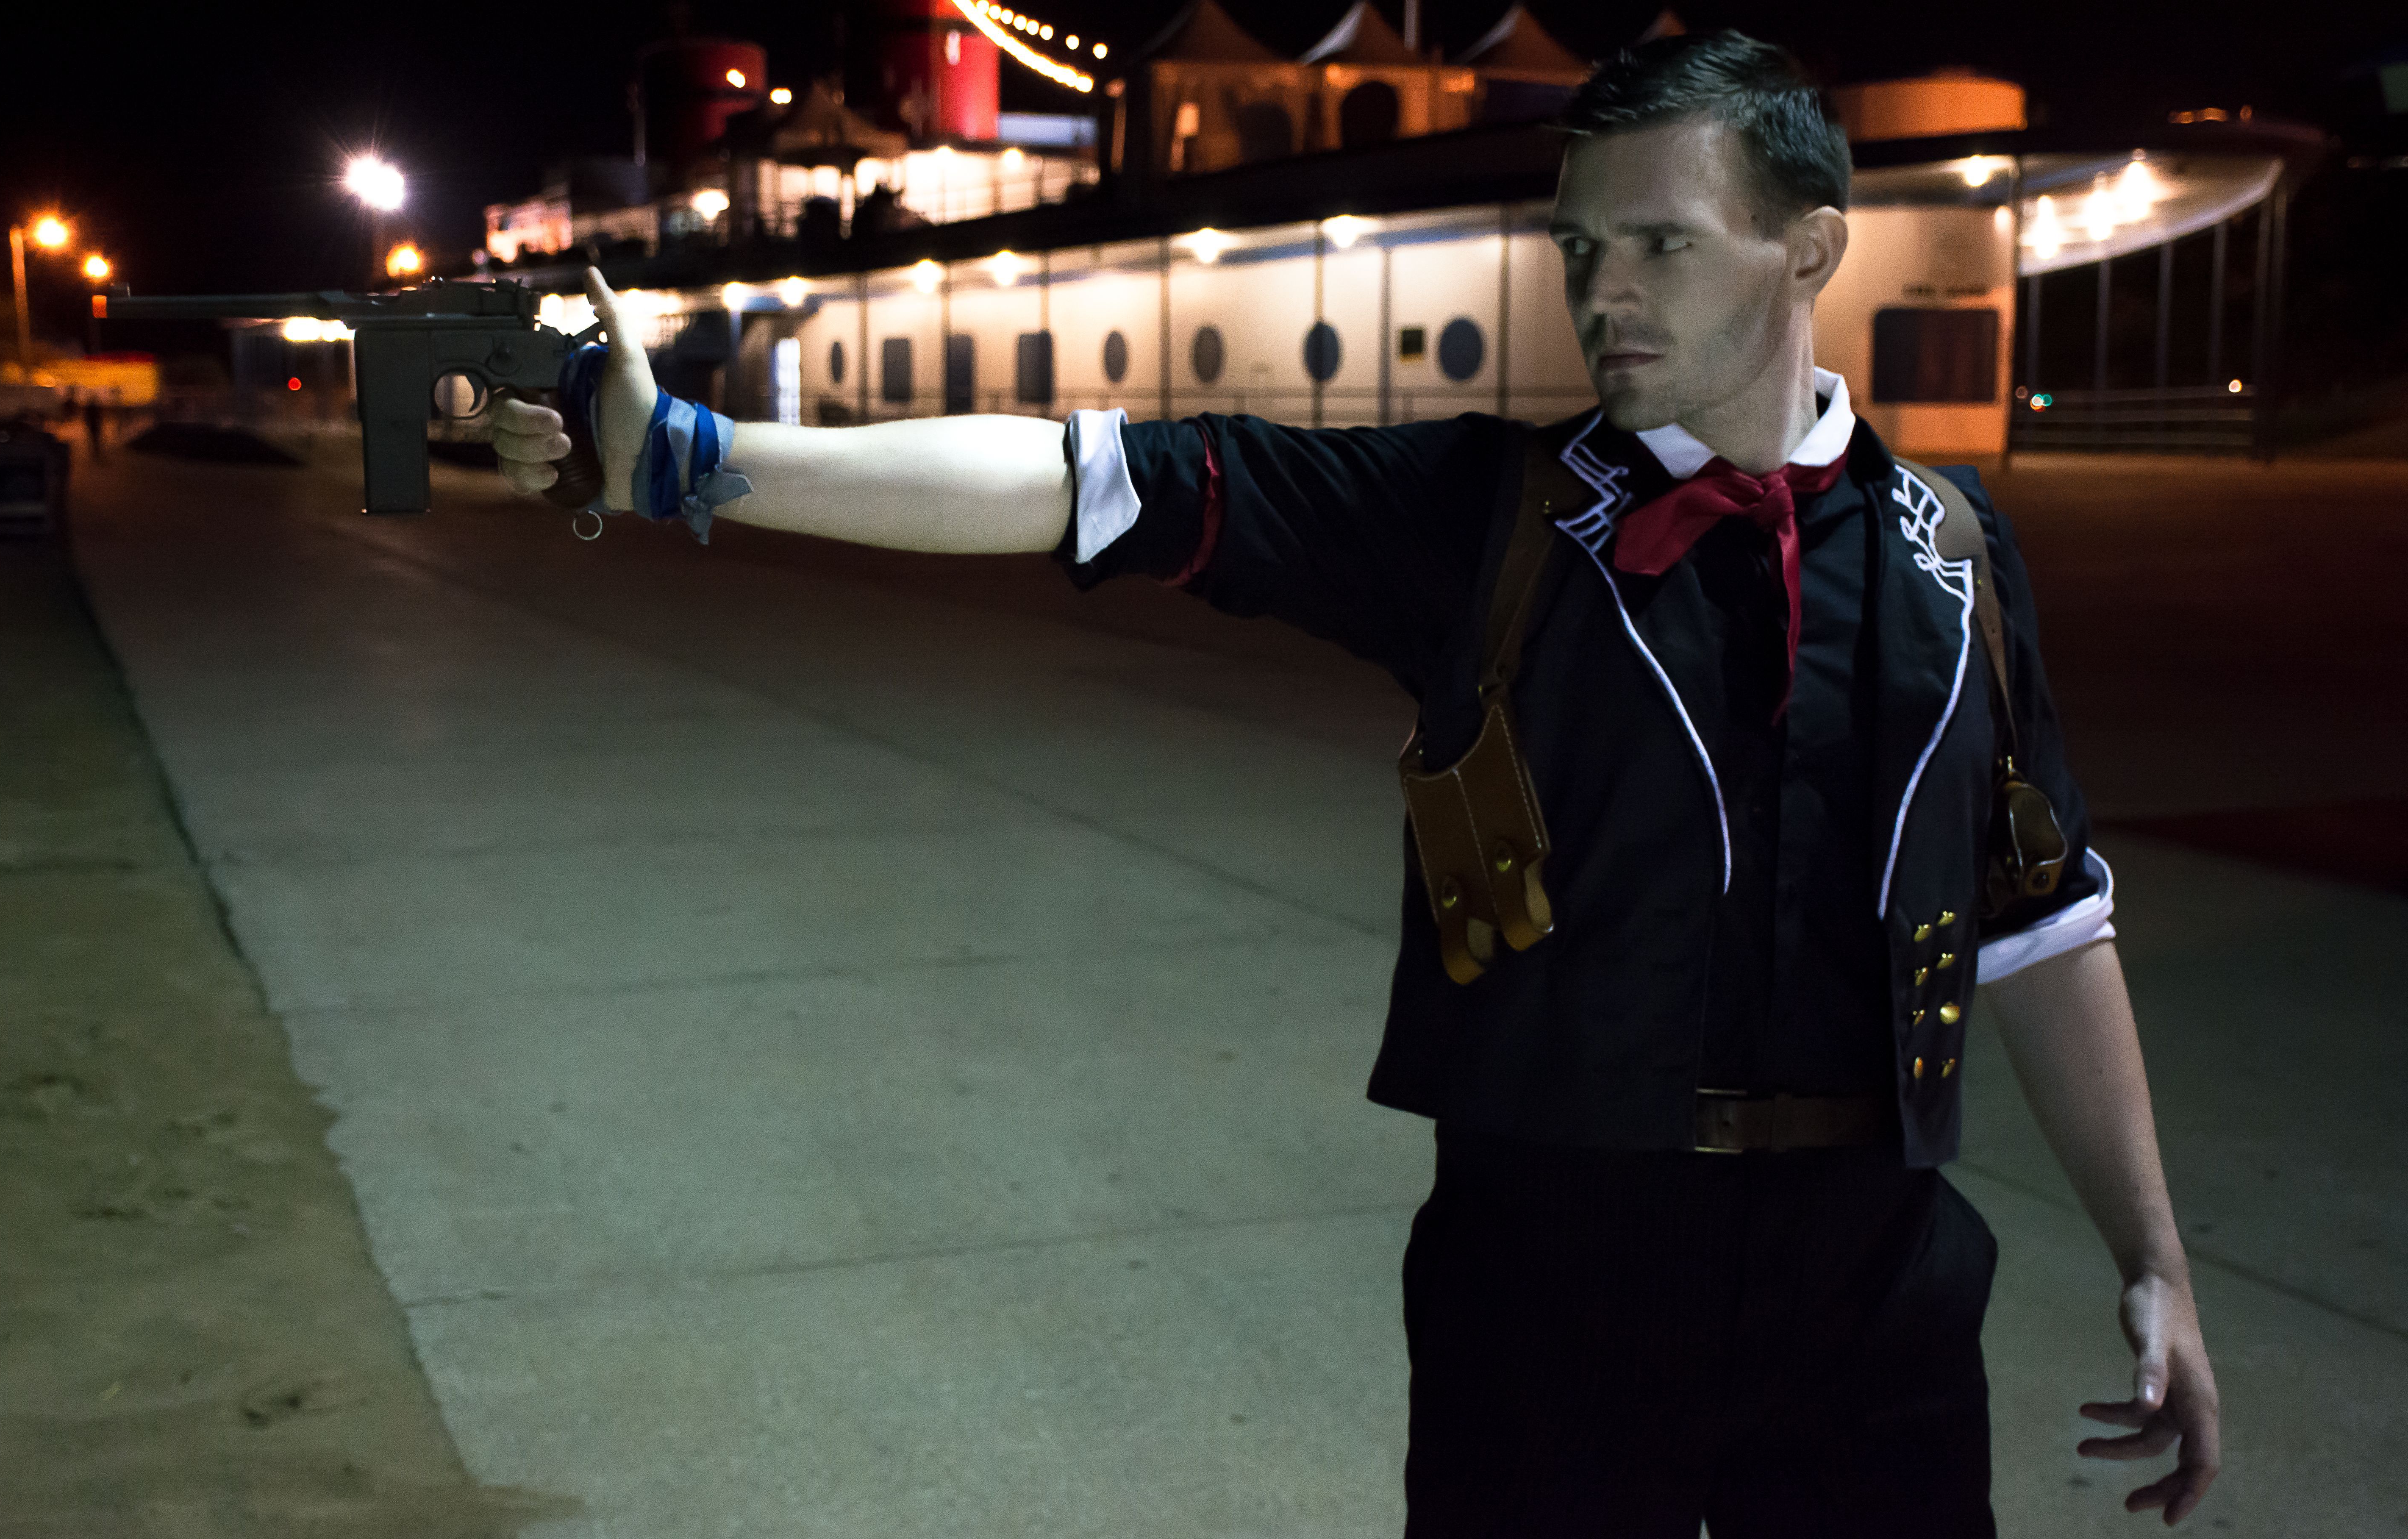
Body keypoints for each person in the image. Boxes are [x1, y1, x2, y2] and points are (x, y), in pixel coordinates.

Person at [489, 31, 2219, 1536]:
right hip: (1547, 1288)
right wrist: (699, 458)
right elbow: (1086, 483)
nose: (1603, 291)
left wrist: (2155, 1256)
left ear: (1809, 247)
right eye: (1580, 244)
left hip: (1876, 1295)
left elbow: (2043, 921)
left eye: (1661, 244)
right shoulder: (1487, 521)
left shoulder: (1954, 556)